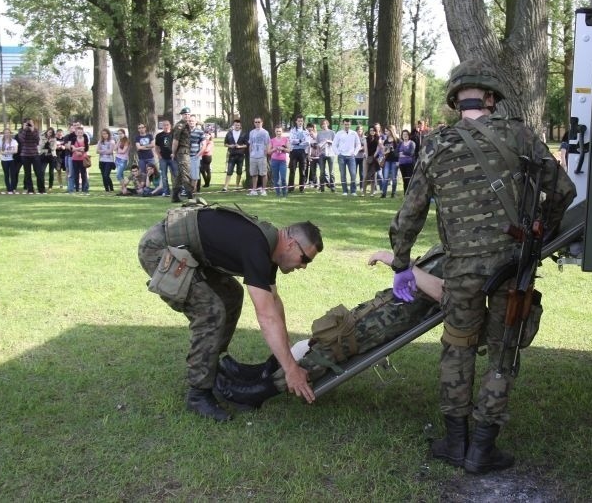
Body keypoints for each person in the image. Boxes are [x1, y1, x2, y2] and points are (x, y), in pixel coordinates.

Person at [388, 60, 575, 474]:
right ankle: (481, 449)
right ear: (491, 98)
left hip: (461, 270)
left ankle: (456, 443)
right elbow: (563, 190)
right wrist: (544, 230)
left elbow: (410, 213)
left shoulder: (435, 145)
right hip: (513, 264)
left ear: (456, 101)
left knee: (458, 347)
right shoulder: (520, 135)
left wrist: (402, 263)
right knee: (502, 354)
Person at [137, 203, 323, 421]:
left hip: (189, 252)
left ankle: (214, 369)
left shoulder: (271, 248)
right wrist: (291, 370)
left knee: (231, 295)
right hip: (160, 248)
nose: (304, 266)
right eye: (305, 259)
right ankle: (199, 393)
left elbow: (273, 302)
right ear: (291, 244)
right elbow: (265, 316)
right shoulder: (258, 246)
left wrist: (284, 358)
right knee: (210, 311)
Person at [214, 245, 445, 408]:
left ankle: (256, 393)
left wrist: (396, 261)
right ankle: (260, 374)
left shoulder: (470, 257)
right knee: (325, 336)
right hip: (383, 307)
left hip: (392, 320)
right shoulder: (454, 246)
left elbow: (447, 295)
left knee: (330, 350)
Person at [332, 118, 362, 196]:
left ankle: (353, 191)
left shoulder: (354, 133)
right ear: (343, 124)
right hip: (341, 156)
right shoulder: (339, 133)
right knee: (343, 174)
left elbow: (358, 144)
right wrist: (338, 153)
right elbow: (334, 144)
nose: (347, 126)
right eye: (345, 124)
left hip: (351, 156)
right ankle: (345, 190)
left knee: (353, 174)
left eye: (348, 124)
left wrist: (355, 153)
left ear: (350, 124)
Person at [170, 107, 194, 202]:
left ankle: (175, 196)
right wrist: (173, 153)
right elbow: (175, 141)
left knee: (179, 175)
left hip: (184, 151)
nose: (187, 116)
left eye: (188, 114)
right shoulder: (180, 126)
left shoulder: (186, 125)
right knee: (186, 173)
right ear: (182, 115)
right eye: (185, 114)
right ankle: (190, 196)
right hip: (182, 152)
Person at [17, 119, 44, 194]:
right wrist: (25, 129)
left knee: (39, 172)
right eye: (28, 123)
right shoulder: (21, 131)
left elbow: (37, 141)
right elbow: (22, 140)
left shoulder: (35, 130)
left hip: (34, 154)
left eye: (31, 123)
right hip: (25, 155)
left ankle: (41, 189)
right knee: (27, 173)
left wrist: (32, 130)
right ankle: (30, 189)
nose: (29, 124)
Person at [247, 116, 271, 196]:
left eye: (259, 122)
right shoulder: (252, 132)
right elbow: (250, 143)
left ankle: (263, 190)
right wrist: (250, 153)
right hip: (253, 156)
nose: (257, 123)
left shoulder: (265, 132)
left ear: (262, 123)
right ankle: (254, 190)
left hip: (262, 156)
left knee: (263, 173)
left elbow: (268, 143)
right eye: (256, 122)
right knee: (254, 174)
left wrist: (266, 152)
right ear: (254, 123)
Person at [222, 119, 247, 192]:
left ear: (240, 126)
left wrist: (240, 146)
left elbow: (246, 145)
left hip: (240, 155)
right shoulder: (229, 133)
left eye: (238, 125)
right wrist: (230, 146)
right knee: (229, 171)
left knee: (239, 171)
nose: (237, 126)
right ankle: (225, 187)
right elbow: (225, 144)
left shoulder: (243, 134)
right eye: (236, 125)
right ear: (233, 125)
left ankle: (237, 186)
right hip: (232, 155)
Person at [155, 120, 176, 197]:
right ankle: (166, 191)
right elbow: (156, 147)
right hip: (163, 158)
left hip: (172, 158)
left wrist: (174, 154)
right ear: (162, 126)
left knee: (176, 174)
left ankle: (178, 190)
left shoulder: (173, 134)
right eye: (164, 125)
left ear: (170, 125)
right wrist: (159, 155)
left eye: (167, 125)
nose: (166, 126)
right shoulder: (159, 135)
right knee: (164, 175)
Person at [270, 126, 290, 197]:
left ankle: (284, 193)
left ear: (282, 132)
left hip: (283, 161)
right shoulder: (272, 140)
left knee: (283, 178)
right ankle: (278, 193)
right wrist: (275, 149)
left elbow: (289, 150)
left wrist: (283, 149)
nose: (278, 133)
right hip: (274, 161)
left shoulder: (285, 139)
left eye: (280, 131)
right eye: (277, 131)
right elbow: (268, 151)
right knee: (276, 178)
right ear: (275, 132)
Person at [379, 126, 399, 198]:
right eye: (385, 131)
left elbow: (399, 151)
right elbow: (384, 151)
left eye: (387, 131)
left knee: (394, 177)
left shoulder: (397, 140)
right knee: (385, 177)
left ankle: (393, 193)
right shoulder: (386, 140)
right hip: (387, 160)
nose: (385, 132)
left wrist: (393, 150)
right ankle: (384, 193)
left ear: (390, 131)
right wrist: (385, 150)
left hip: (395, 161)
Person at [317, 119, 335, 192]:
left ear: (327, 124)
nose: (324, 125)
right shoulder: (319, 133)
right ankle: (322, 187)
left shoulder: (332, 132)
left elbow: (335, 142)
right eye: (322, 124)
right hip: (322, 154)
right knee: (322, 172)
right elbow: (317, 143)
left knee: (331, 172)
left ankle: (332, 186)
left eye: (325, 124)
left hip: (330, 153)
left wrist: (328, 141)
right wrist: (320, 145)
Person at [69, 125, 89, 194]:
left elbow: (86, 148)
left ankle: (84, 188)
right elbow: (72, 149)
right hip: (75, 159)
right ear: (76, 133)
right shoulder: (73, 139)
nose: (80, 133)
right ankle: (77, 188)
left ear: (83, 132)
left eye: (81, 132)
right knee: (76, 174)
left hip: (83, 159)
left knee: (84, 174)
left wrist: (78, 150)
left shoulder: (85, 139)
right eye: (78, 132)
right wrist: (79, 149)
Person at [363, 126, 381, 196]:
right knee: (365, 175)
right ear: (369, 131)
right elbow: (366, 149)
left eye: (373, 130)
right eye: (371, 130)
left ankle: (372, 192)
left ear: (375, 131)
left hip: (374, 158)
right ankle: (363, 192)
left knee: (373, 175)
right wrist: (368, 158)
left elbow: (378, 148)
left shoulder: (378, 138)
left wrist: (374, 157)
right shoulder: (365, 139)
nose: (372, 131)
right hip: (367, 158)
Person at [397, 129, 416, 194]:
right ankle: (405, 193)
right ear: (402, 136)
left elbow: (411, 153)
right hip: (402, 164)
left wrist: (403, 153)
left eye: (406, 134)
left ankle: (410, 193)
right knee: (404, 179)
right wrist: (400, 153)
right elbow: (395, 153)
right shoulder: (400, 143)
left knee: (409, 179)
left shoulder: (412, 143)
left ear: (409, 135)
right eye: (403, 134)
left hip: (409, 164)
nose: (405, 136)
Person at [0, 129, 18, 194]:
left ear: (10, 133)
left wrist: (7, 152)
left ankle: (13, 188)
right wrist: (5, 152)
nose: (7, 134)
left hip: (12, 160)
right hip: (4, 160)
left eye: (8, 133)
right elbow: (1, 151)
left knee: (13, 174)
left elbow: (16, 151)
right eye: (5, 133)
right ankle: (8, 188)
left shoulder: (14, 141)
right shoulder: (1, 141)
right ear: (4, 134)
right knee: (6, 174)